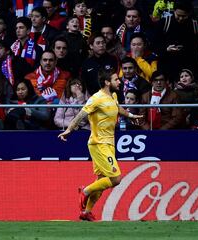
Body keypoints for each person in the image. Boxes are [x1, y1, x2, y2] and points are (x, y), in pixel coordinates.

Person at [58, 69, 142, 221]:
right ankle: (85, 191)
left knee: (102, 180)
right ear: (107, 82)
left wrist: (130, 116)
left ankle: (86, 212)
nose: (119, 81)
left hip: (109, 144)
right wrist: (69, 130)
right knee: (116, 179)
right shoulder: (96, 98)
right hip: (98, 143)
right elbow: (80, 115)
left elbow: (117, 108)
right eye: (116, 79)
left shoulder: (113, 96)